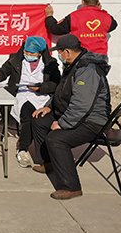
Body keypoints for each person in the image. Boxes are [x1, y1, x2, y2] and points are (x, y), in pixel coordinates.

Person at [31, 34, 111, 200]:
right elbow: (61, 91)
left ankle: (71, 187)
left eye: (60, 52)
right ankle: (49, 163)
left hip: (91, 121)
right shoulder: (73, 65)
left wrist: (62, 123)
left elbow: (81, 104)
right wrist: (49, 106)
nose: (59, 55)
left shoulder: (87, 70)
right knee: (39, 120)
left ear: (67, 52)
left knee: (56, 139)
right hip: (73, 114)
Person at [0, 36, 60, 168]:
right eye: (26, 51)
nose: (28, 55)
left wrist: (40, 88)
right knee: (29, 116)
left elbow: (56, 83)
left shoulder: (50, 64)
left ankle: (44, 155)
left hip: (41, 96)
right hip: (21, 95)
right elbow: (4, 70)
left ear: (40, 53)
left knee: (41, 118)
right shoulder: (15, 60)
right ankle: (22, 150)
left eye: (32, 53)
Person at [44, 0, 117, 56]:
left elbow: (56, 29)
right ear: (98, 2)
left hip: (80, 56)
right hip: (101, 58)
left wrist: (49, 17)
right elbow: (113, 26)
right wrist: (99, 11)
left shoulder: (73, 17)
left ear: (83, 2)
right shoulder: (106, 17)